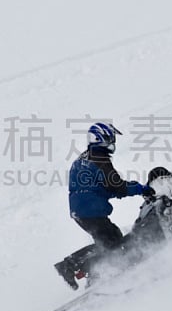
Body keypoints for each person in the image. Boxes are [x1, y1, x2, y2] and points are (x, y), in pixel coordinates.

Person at [54, 122, 155, 289]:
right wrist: (141, 188)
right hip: (91, 211)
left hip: (81, 212)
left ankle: (95, 274)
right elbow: (118, 186)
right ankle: (70, 265)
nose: (112, 143)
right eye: (110, 139)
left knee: (111, 239)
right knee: (114, 245)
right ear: (100, 139)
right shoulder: (100, 159)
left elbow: (101, 187)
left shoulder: (82, 159)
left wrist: (118, 191)